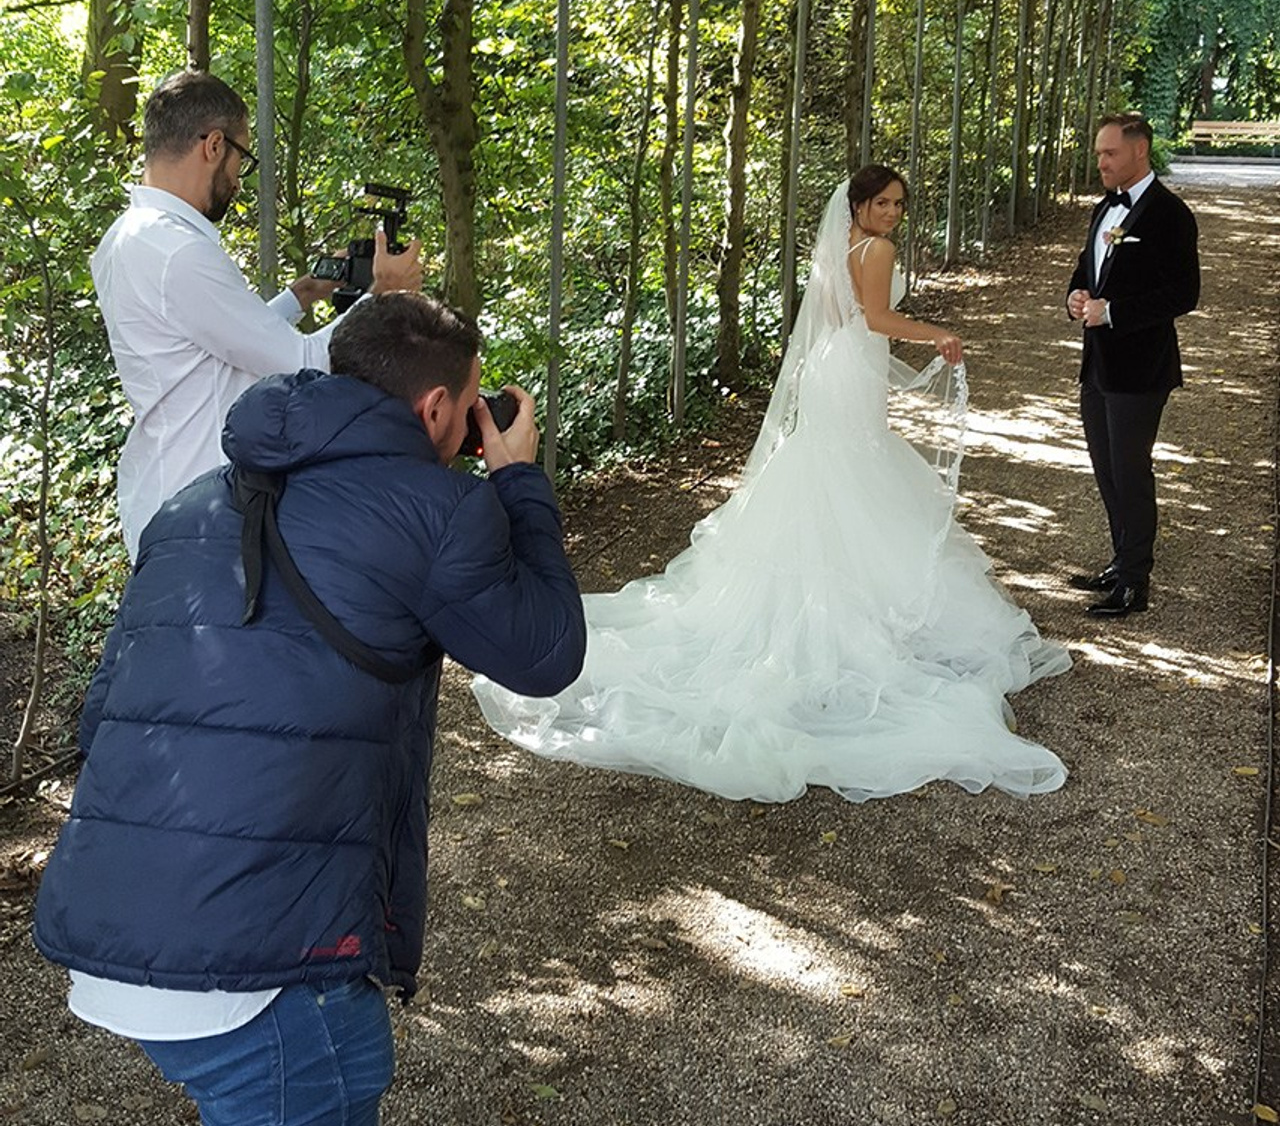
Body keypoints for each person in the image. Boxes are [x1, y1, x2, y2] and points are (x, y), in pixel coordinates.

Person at [34, 292, 587, 1126]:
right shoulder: (439, 511)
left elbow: (101, 711)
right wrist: (516, 479)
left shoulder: (189, 506)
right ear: (439, 409)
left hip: (117, 925)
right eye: (471, 404)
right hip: (259, 966)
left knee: (314, 1075)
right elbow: (547, 653)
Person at [473, 166, 1070, 804]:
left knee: (836, 469)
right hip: (849, 365)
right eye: (884, 203)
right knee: (855, 471)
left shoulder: (843, 243)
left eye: (900, 203)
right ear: (860, 205)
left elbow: (852, 316)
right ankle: (861, 606)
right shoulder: (879, 249)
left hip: (832, 367)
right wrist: (938, 335)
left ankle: (842, 587)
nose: (894, 213)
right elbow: (875, 317)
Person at [93, 69, 425, 559]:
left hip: (164, 488)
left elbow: (214, 348)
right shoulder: (178, 253)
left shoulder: (127, 237)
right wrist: (383, 295)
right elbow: (301, 361)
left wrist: (300, 295)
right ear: (213, 145)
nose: (237, 180)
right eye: (241, 159)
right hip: (201, 512)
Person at [1066, 113, 1200, 618]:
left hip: (1141, 368)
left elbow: (1184, 293)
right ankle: (1121, 560)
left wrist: (1114, 312)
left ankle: (1134, 584)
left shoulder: (1171, 215)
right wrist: (1076, 297)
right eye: (1099, 152)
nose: (1100, 161)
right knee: (1105, 469)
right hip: (1097, 364)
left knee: (1131, 471)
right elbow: (1086, 270)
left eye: (1109, 153)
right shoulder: (1104, 207)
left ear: (1139, 151)